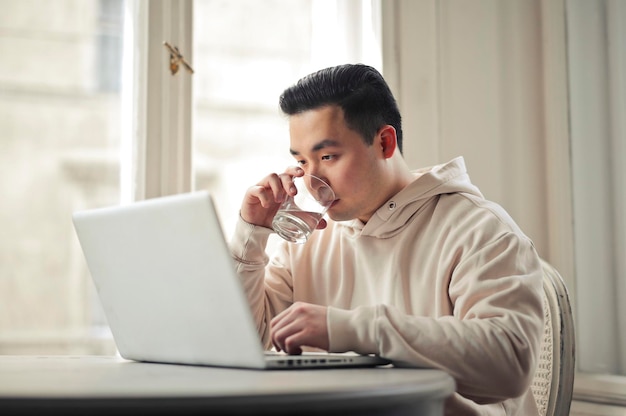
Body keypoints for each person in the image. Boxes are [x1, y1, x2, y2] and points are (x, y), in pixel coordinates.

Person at [229, 63, 544, 415]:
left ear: (384, 142)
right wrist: (251, 234)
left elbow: (509, 364)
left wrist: (351, 328)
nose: (312, 182)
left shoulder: (479, 229)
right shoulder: (309, 238)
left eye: (328, 157)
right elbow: (246, 345)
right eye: (302, 161)